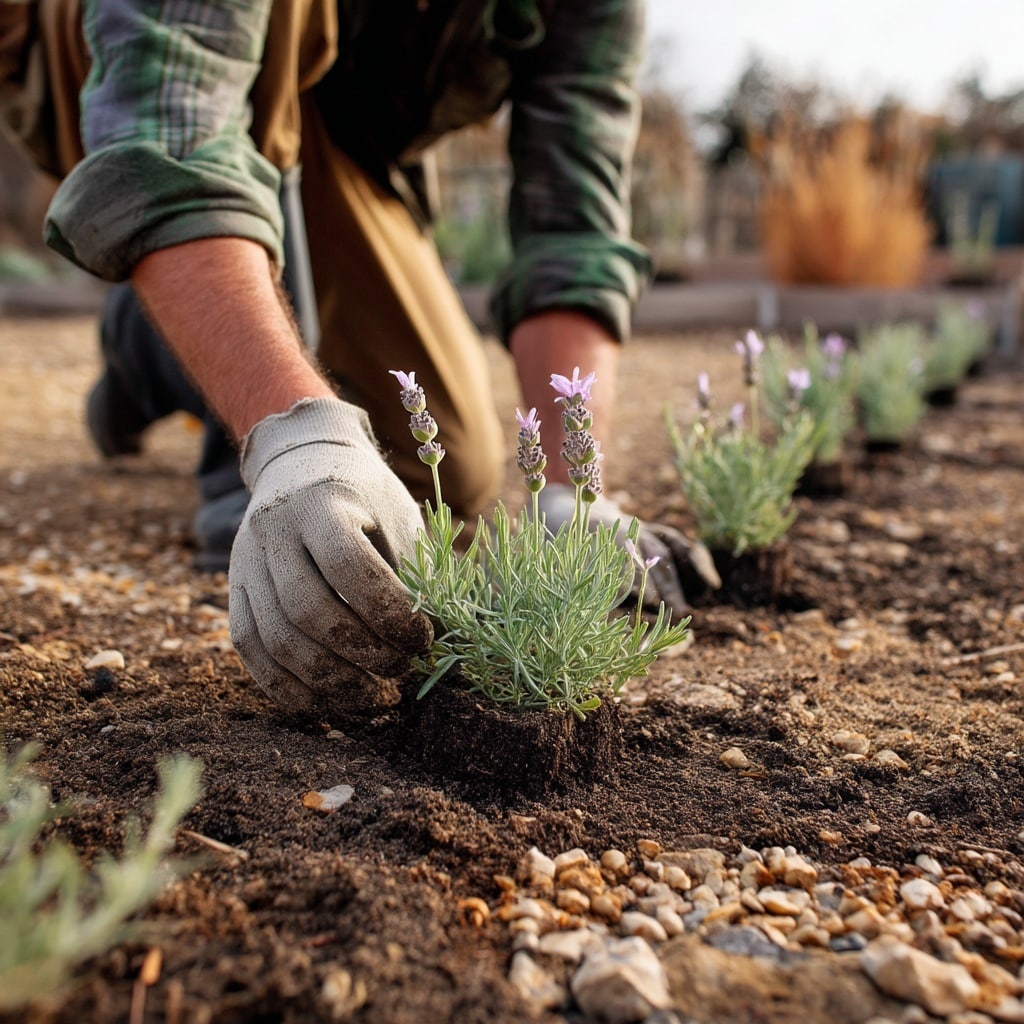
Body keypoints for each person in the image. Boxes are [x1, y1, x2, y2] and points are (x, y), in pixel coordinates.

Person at [0, 0, 716, 715]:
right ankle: (169, 330)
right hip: (125, 67)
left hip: (336, 152)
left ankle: (160, 336)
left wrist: (570, 493)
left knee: (443, 468)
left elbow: (572, 228)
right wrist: (291, 436)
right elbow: (166, 126)